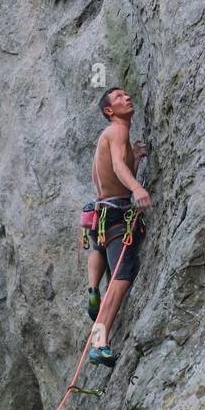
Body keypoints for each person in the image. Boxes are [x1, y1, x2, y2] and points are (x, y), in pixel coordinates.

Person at [87, 87, 152, 366]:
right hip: (114, 217)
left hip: (103, 216)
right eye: (118, 98)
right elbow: (115, 167)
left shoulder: (113, 135)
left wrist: (134, 160)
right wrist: (137, 187)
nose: (127, 98)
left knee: (116, 275)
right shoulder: (116, 130)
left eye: (127, 94)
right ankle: (99, 342)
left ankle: (93, 289)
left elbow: (114, 171)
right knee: (120, 278)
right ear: (109, 111)